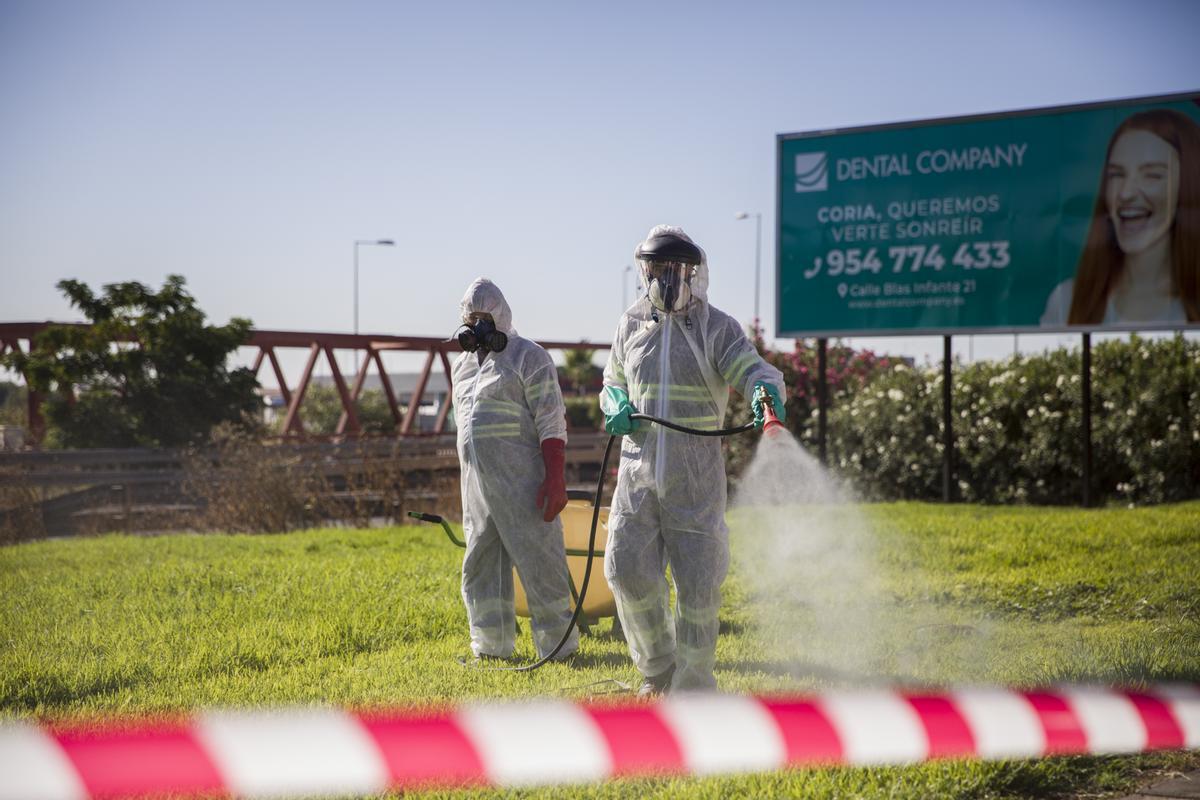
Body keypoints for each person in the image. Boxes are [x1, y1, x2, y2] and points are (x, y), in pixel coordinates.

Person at [599, 225, 786, 695]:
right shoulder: (630, 324)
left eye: (674, 269)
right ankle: (658, 667)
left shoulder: (715, 326)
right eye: (656, 268)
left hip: (694, 478)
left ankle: (695, 680)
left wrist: (764, 389)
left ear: (692, 272)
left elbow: (750, 367)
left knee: (699, 586)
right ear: (645, 270)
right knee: (625, 567)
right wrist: (615, 402)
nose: (665, 278)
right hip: (638, 475)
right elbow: (613, 378)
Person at [451, 278, 578, 662]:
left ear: (502, 315)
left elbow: (552, 422)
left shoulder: (529, 357)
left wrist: (555, 479)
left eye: (485, 316)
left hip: (525, 484)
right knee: (480, 564)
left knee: (542, 565)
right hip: (477, 488)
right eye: (472, 317)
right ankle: (490, 648)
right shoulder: (461, 368)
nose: (479, 324)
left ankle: (558, 648)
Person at [1041, 108, 1200, 326]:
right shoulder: (1067, 300)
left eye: (1152, 175)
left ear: (1189, 186)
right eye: (1116, 174)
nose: (1126, 193)